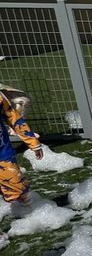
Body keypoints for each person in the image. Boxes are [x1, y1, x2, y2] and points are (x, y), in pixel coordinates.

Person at [0, 90, 43, 244]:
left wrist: (32, 142)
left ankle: (32, 212)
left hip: (2, 155)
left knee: (17, 187)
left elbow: (14, 119)